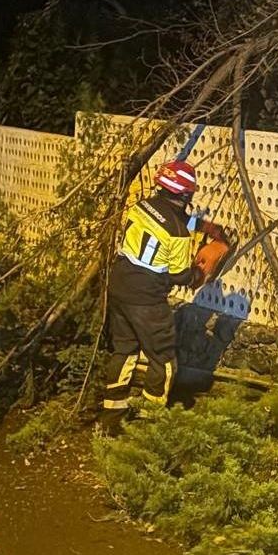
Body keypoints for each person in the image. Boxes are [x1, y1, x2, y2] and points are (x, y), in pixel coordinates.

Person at [103, 160, 233, 413]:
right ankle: (151, 420)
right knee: (162, 357)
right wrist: (203, 266)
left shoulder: (140, 207)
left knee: (125, 350)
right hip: (147, 299)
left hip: (119, 286)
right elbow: (180, 276)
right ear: (186, 194)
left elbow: (167, 216)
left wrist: (205, 227)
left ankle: (112, 415)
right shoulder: (178, 233)